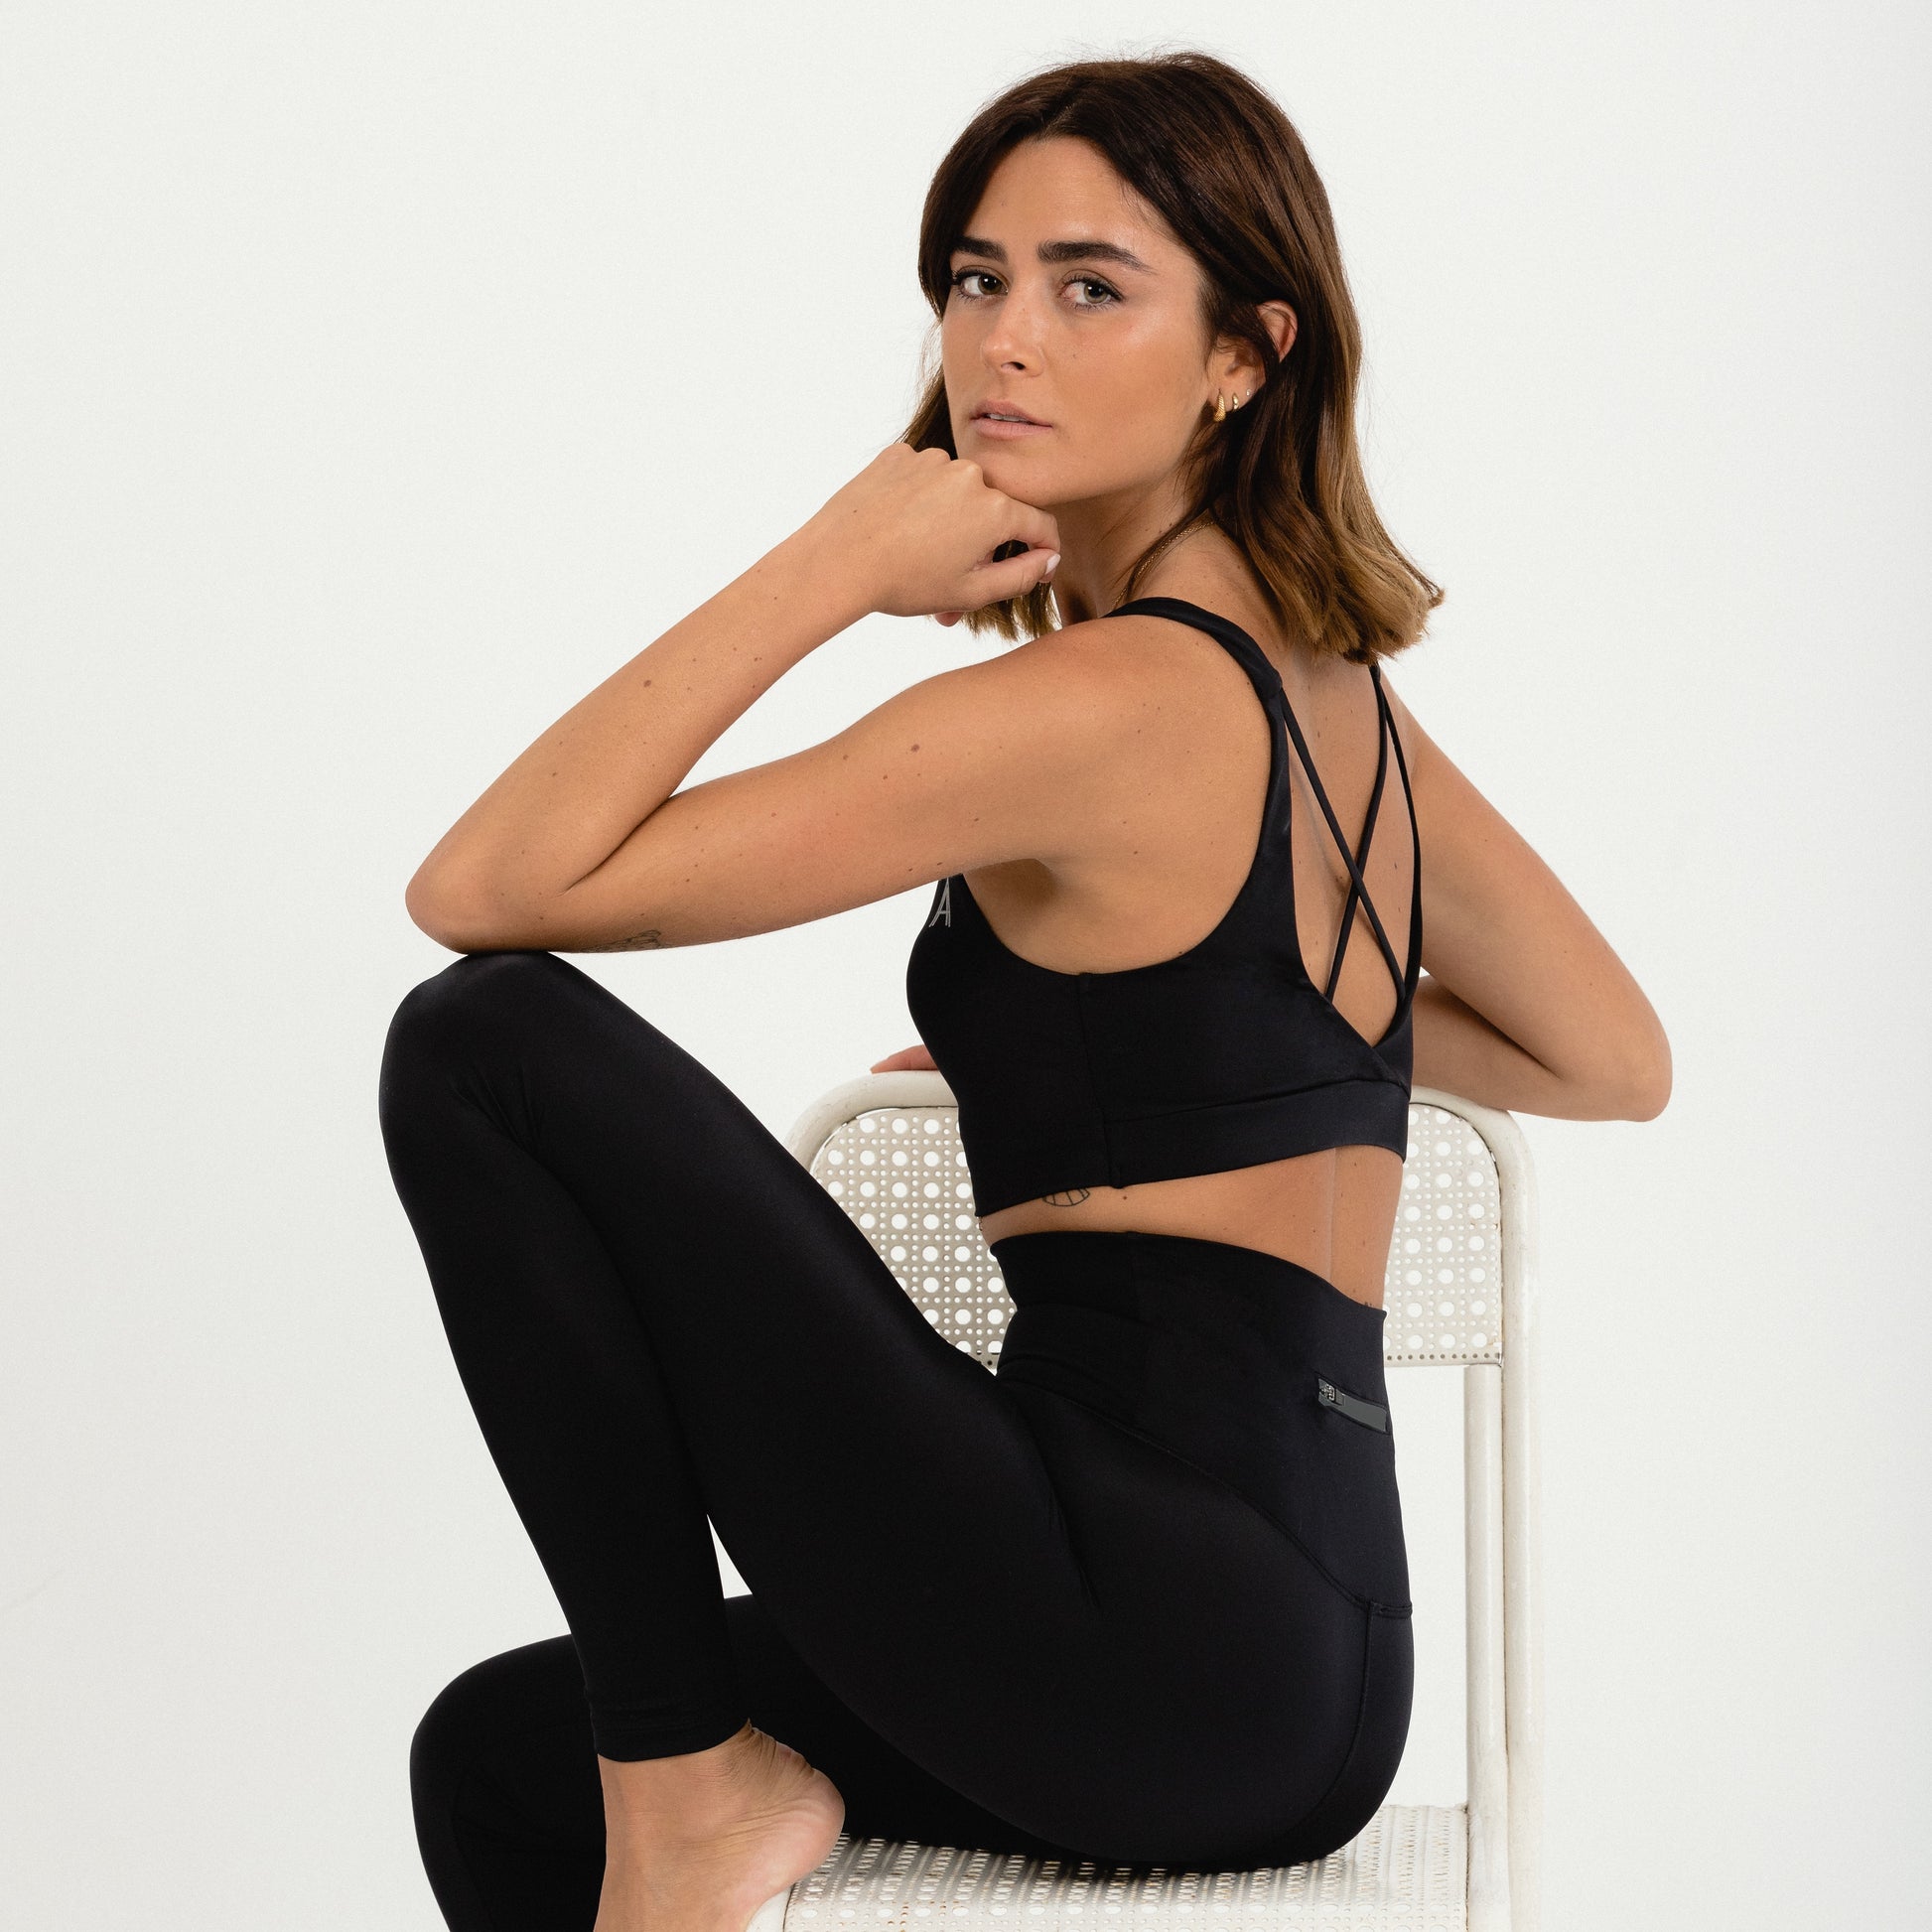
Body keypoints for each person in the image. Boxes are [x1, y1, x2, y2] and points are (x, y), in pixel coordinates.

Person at [378, 50, 1670, 1932]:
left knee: (483, 1047)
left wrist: (833, 559)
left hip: (1136, 1620)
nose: (1003, 339)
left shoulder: (1102, 702)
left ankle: (690, 1790)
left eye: (1090, 287)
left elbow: (488, 890)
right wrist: (1142, 1054)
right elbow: (1608, 1054)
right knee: (498, 1756)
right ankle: (673, 1784)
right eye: (976, 279)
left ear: (1244, 355)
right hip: (1315, 1669)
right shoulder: (1338, 705)